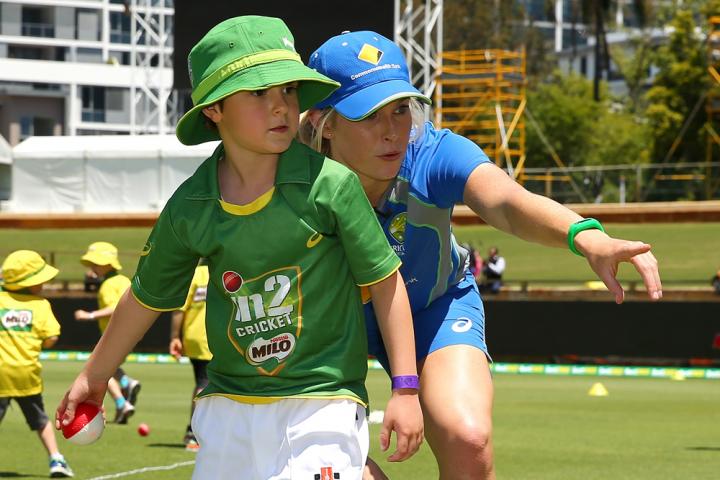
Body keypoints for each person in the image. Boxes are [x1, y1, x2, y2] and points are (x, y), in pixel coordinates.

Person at [56, 16, 423, 480]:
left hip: (322, 402)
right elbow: (145, 298)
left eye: (289, 90)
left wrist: (406, 390)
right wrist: (93, 378)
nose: (281, 107)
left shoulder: (332, 186)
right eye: (258, 93)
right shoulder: (191, 206)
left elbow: (386, 284)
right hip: (226, 408)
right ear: (213, 109)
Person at [300, 30, 662, 480]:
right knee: (328, 464)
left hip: (433, 306)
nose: (393, 132)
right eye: (370, 115)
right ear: (325, 122)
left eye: (400, 110)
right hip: (332, 326)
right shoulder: (291, 182)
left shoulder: (433, 152)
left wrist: (586, 236)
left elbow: (507, 202)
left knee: (467, 438)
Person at [0, 250, 74, 478]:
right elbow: (51, 338)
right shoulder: (41, 305)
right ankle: (56, 459)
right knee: (40, 420)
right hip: (27, 373)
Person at [73, 242, 140, 424]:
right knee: (108, 367)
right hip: (130, 333)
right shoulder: (124, 280)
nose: (92, 267)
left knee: (97, 369)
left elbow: (116, 307)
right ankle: (126, 385)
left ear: (108, 264)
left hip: (114, 335)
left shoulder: (108, 285)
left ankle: (123, 398)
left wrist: (89, 315)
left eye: (96, 263)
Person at [169, 260, 210, 452]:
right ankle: (194, 432)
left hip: (194, 337)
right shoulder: (228, 268)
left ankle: (198, 430)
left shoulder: (194, 275)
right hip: (215, 337)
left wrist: (175, 337)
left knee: (204, 381)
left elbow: (179, 309)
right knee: (205, 383)